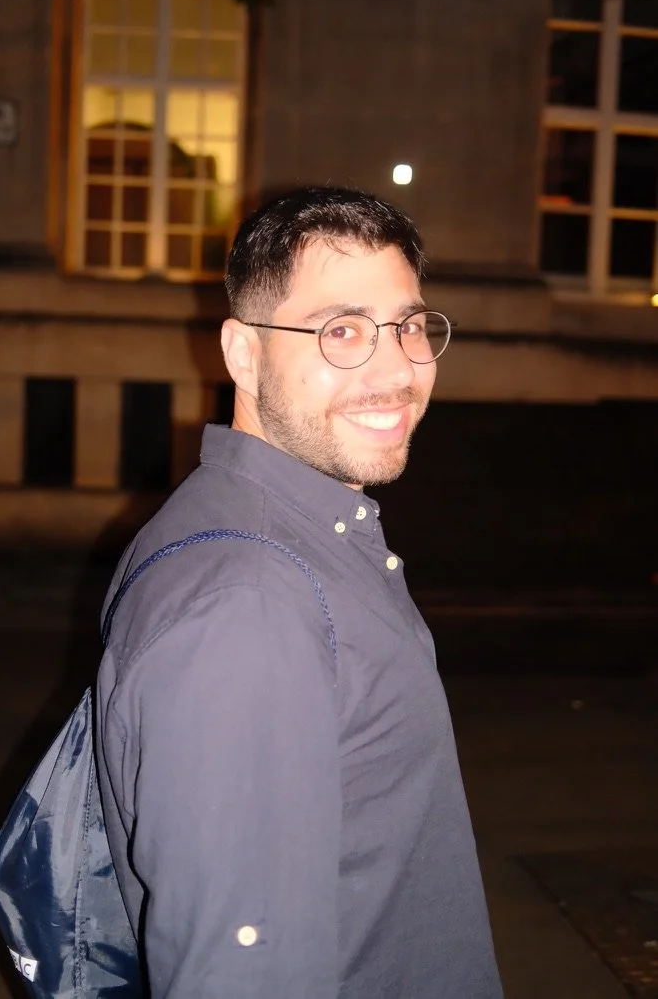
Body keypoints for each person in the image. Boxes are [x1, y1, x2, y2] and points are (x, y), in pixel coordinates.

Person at [95, 185, 503, 998]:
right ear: (243, 355)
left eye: (411, 325)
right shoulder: (247, 602)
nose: (397, 368)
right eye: (341, 330)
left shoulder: (299, 533)